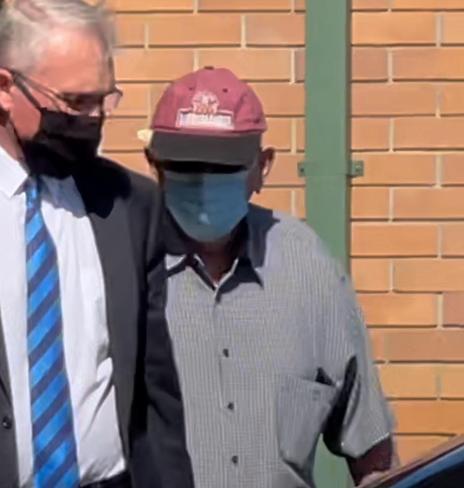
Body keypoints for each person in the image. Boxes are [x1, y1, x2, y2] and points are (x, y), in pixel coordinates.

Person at [140, 66, 397, 488]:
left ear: (263, 166)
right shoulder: (124, 265)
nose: (203, 182)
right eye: (185, 164)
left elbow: (369, 446)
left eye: (223, 165)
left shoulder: (305, 265)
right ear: (155, 165)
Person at [0, 1, 194, 487]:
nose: (92, 119)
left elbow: (155, 395)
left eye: (103, 100)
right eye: (73, 102)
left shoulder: (131, 205)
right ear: (5, 88)